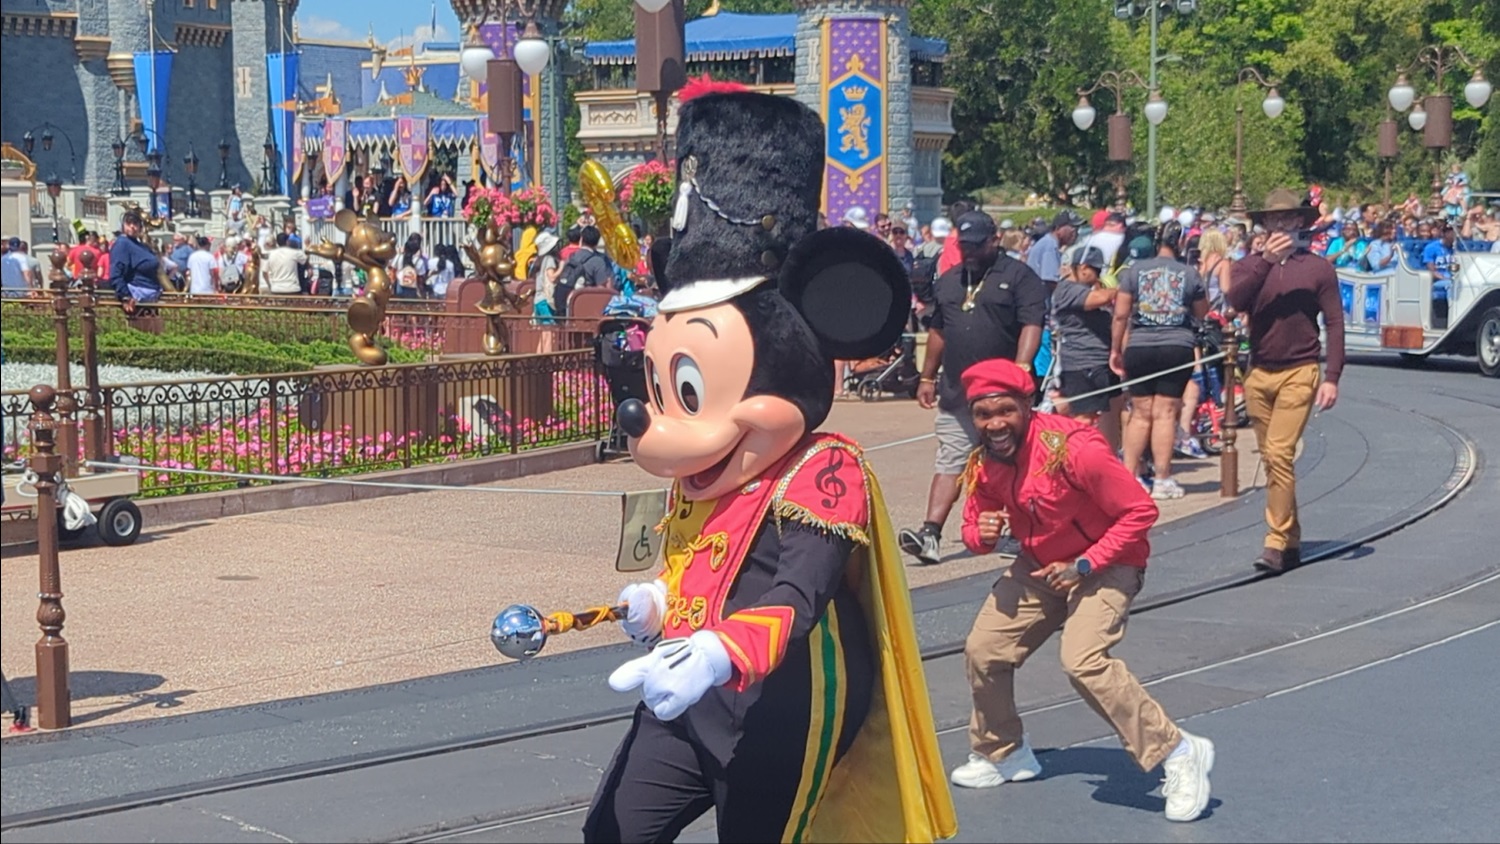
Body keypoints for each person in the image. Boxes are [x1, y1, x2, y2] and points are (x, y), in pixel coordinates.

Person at [589, 78, 954, 843]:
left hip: (788, 700)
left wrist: (721, 648)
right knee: (614, 832)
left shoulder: (825, 467)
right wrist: (657, 600)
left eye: (690, 393)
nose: (655, 423)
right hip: (691, 687)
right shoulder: (707, 473)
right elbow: (700, 557)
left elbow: (799, 593)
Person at [948, 357, 1215, 823]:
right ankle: (1003, 751)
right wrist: (981, 534)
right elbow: (975, 525)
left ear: (1027, 405)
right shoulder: (987, 460)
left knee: (1082, 660)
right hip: (1041, 565)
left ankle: (1175, 751)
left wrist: (1085, 564)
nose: (995, 424)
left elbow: (1140, 511)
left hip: (1107, 562)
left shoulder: (1074, 448)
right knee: (984, 650)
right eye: (983, 414)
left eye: (1005, 410)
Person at [900, 210, 1048, 565]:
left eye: (976, 245)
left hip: (1004, 394)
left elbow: (1032, 324)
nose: (968, 252)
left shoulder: (1019, 277)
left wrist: (1022, 368)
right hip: (957, 393)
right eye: (964, 245)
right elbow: (938, 331)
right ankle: (930, 534)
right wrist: (927, 376)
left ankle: (1022, 533)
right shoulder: (949, 280)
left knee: (1013, 460)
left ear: (994, 240)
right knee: (951, 458)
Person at [1226, 188, 1344, 574]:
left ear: (1298, 222)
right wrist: (1265, 261)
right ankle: (1291, 538)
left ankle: (1275, 541)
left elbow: (1334, 322)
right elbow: (1236, 300)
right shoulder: (1248, 266)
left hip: (1300, 370)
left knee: (1279, 453)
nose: (1280, 225)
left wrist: (1332, 376)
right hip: (1259, 371)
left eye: (1287, 218)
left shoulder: (1317, 268)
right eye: (1273, 219)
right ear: (1264, 225)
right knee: (1273, 459)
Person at [1111, 221, 1208, 499]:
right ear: (1180, 243)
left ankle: (1129, 477)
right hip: (1176, 344)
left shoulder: (1134, 271)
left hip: (1140, 345)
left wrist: (1115, 349)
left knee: (1140, 412)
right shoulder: (1189, 273)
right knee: (1165, 412)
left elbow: (1120, 314)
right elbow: (1202, 312)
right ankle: (1162, 479)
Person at [1049, 246, 1122, 449]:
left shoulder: (1085, 288)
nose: (1098, 275)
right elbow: (1100, 299)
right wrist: (1122, 290)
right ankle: (1075, 457)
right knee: (1084, 417)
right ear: (1082, 267)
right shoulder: (1067, 290)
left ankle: (1108, 456)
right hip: (1083, 362)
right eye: (1095, 270)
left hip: (1101, 361)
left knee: (1113, 408)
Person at [107, 210, 164, 309]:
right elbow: (116, 273)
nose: (132, 226)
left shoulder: (140, 245)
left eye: (135, 223)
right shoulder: (122, 243)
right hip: (137, 299)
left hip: (151, 297)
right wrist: (125, 296)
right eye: (128, 223)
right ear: (123, 225)